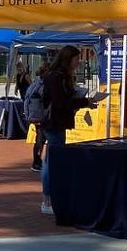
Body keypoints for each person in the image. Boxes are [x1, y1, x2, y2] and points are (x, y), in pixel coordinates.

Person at [39, 46, 96, 214]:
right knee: (52, 162)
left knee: (52, 160)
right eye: (76, 59)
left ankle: (50, 198)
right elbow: (60, 102)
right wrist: (84, 102)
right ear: (68, 59)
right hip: (54, 123)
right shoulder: (56, 77)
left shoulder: (60, 76)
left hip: (56, 123)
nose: (79, 62)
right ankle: (48, 200)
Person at [28, 62, 50, 172]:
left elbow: (27, 98)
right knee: (40, 139)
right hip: (41, 115)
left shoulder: (35, 83)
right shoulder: (42, 85)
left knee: (40, 139)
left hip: (35, 115)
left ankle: (37, 161)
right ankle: (36, 162)